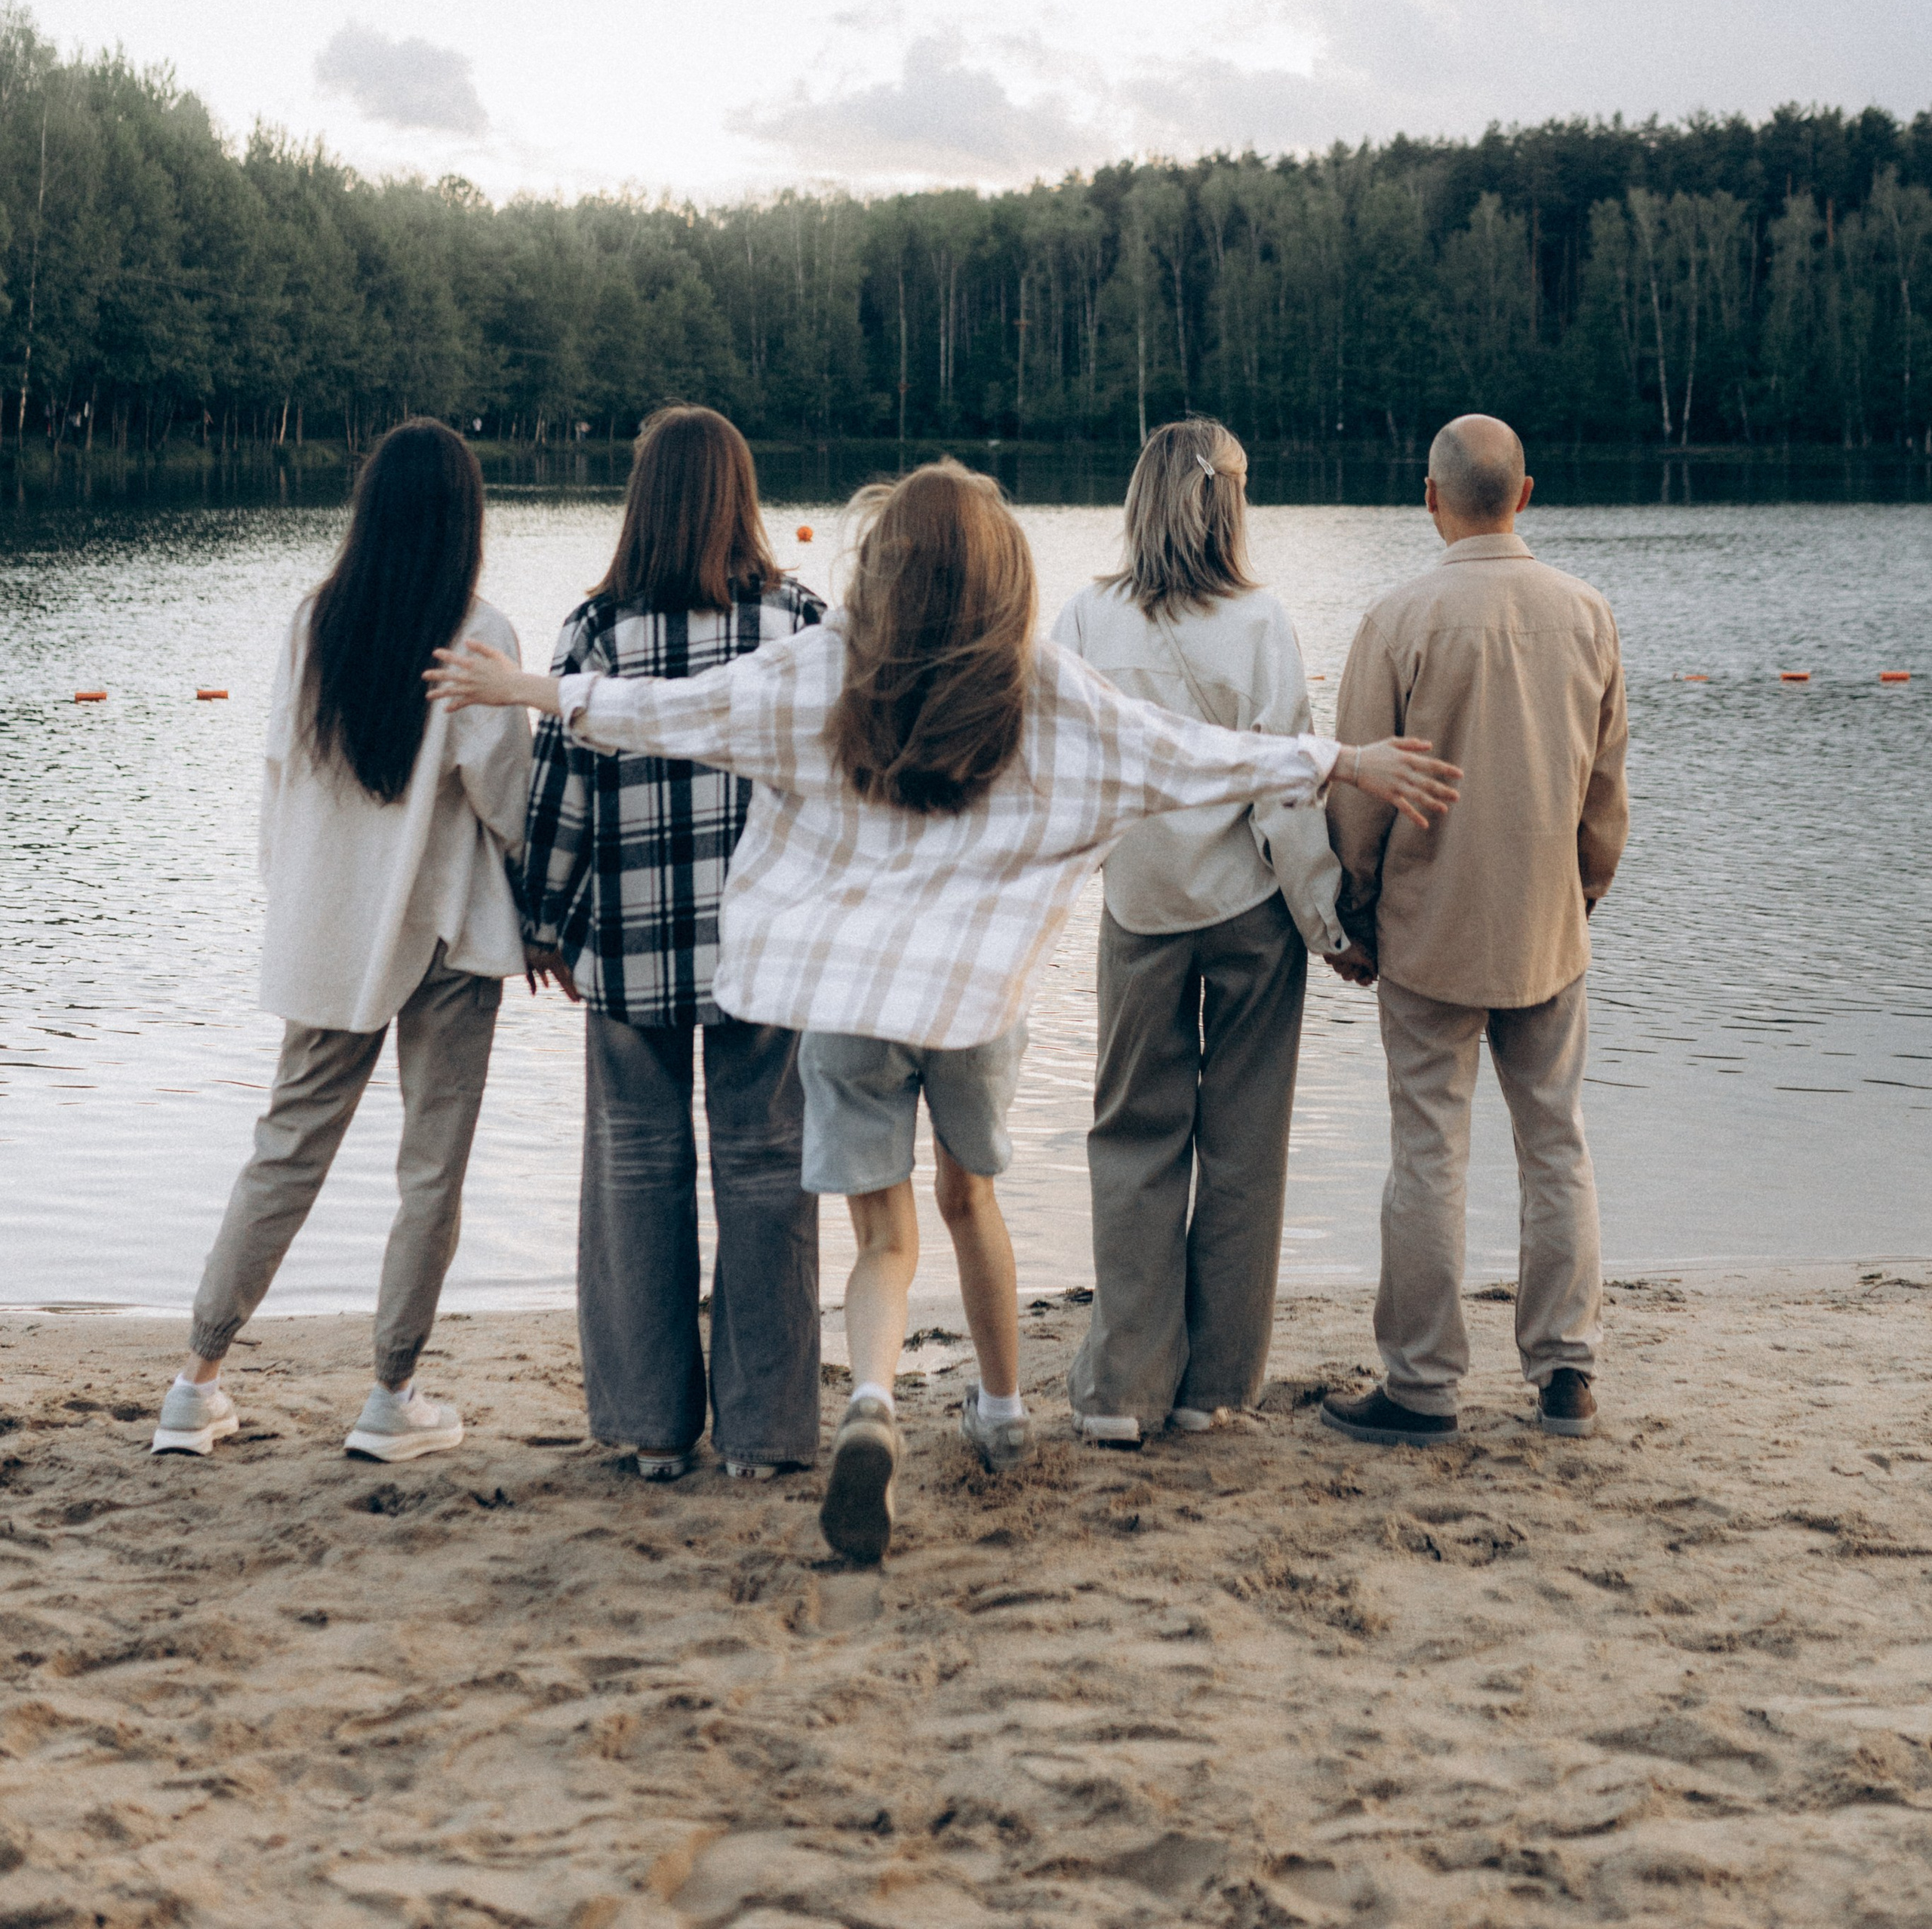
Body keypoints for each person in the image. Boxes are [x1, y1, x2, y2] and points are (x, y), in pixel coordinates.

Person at [429, 459, 1460, 1562]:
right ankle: (1005, 1410)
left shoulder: (823, 672)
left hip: (849, 1003)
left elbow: (675, 715)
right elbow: (1183, 757)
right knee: (971, 1203)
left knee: (882, 1237)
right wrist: (1341, 759)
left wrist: (534, 693)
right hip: (973, 1005)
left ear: (880, 566)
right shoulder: (1040, 684)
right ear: (1005, 573)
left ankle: (872, 1401)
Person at [151, 419, 533, 1465]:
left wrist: (289, 894)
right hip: (447, 933)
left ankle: (195, 1381)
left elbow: (279, 772)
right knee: (431, 1171)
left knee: (283, 1151)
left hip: (328, 931)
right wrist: (545, 914)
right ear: (466, 519)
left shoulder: (313, 622)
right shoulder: (479, 631)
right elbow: (509, 802)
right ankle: (391, 1394)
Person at [521, 405, 824, 1482]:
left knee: (637, 1169)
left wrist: (542, 920)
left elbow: (557, 786)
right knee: (768, 1171)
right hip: (767, 949)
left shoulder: (598, 630)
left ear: (640, 501)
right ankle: (767, 1434)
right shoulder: (800, 625)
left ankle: (651, 1427)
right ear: (743, 498)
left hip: (634, 943)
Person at [1321, 414, 1629, 1448]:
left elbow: (1359, 796)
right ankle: (1566, 1375)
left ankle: (1422, 1385)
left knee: (1428, 1154)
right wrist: (1584, 889)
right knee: (1556, 1146)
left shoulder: (1398, 618)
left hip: (1427, 927)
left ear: (1430, 498)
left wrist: (1346, 916)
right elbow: (1605, 784)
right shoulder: (1588, 614)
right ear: (1526, 494)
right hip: (1547, 924)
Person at [1052, 417, 1355, 1448]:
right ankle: (1215, 1384)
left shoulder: (1088, 619)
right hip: (1247, 912)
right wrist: (1325, 918)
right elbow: (1286, 792)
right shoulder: (1263, 622)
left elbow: (1060, 767)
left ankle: (1123, 1390)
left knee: (1133, 1136)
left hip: (1141, 906)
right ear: (1230, 506)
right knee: (1243, 1147)